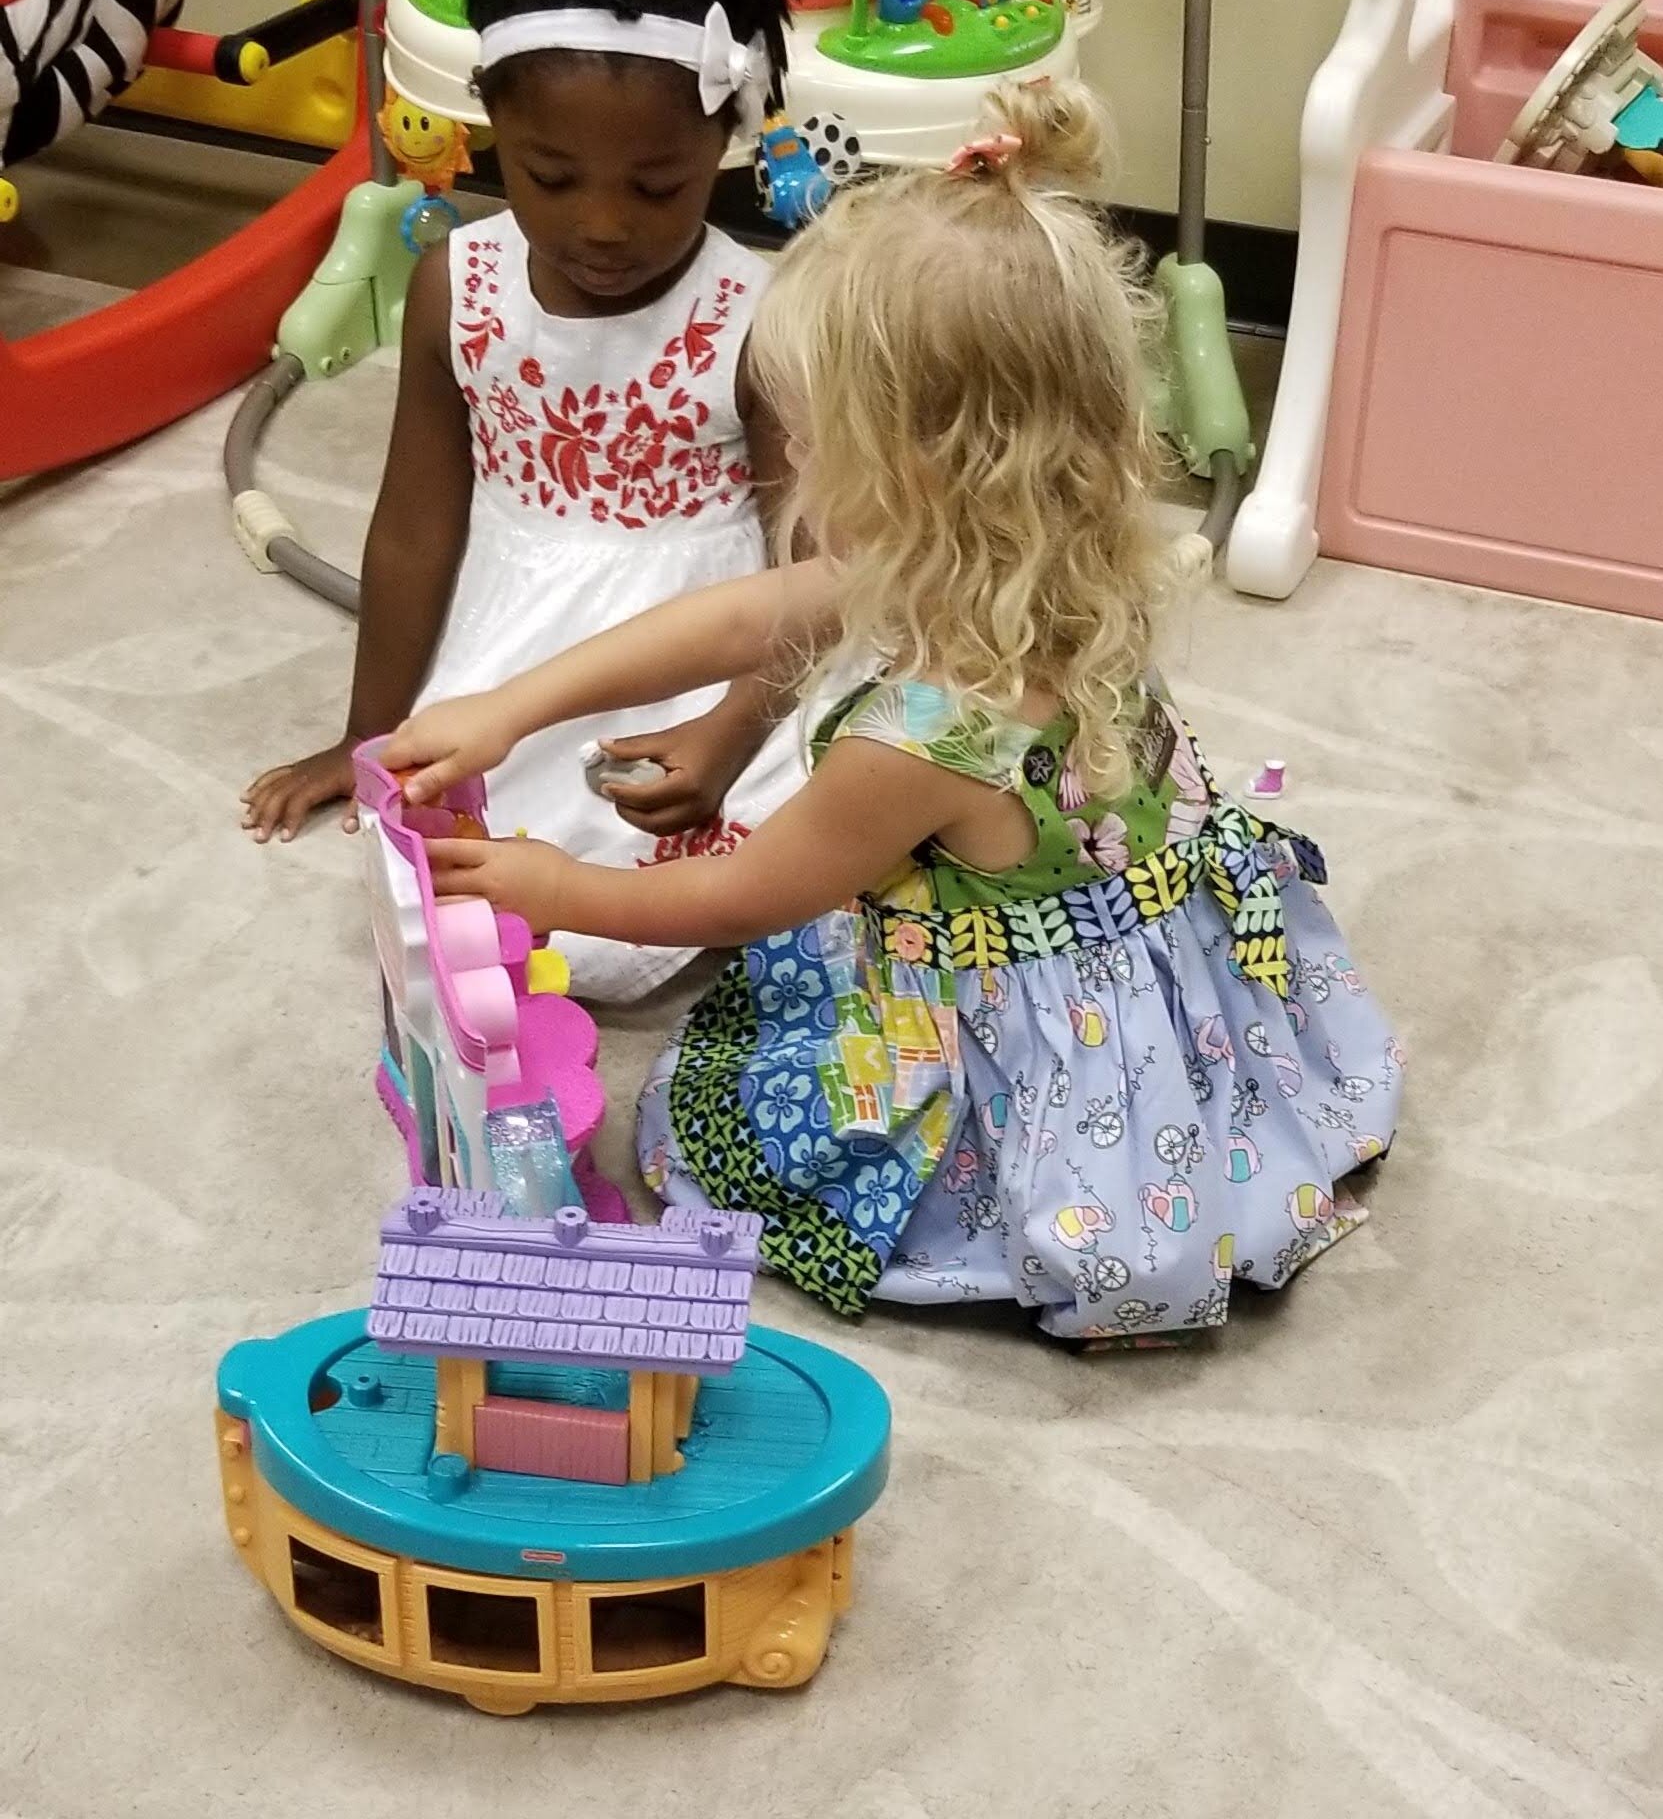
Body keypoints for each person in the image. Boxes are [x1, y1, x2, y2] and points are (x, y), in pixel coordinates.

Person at [382, 81, 1400, 1345]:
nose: (789, 463)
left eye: (811, 440)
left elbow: (732, 898)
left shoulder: (919, 741)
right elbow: (750, 617)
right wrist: (513, 704)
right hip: (1134, 941)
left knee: (746, 1134)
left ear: (915, 466)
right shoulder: (1032, 566)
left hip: (1027, 1036)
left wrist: (550, 885)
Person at [242, 0, 802, 995]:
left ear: (726, 141)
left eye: (657, 186)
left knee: (770, 864)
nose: (603, 225)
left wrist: (736, 726)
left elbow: (819, 569)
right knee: (446, 874)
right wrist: (367, 732)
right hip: (513, 649)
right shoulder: (460, 283)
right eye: (553, 176)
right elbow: (414, 524)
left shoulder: (760, 316)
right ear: (493, 128)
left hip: (703, 654)